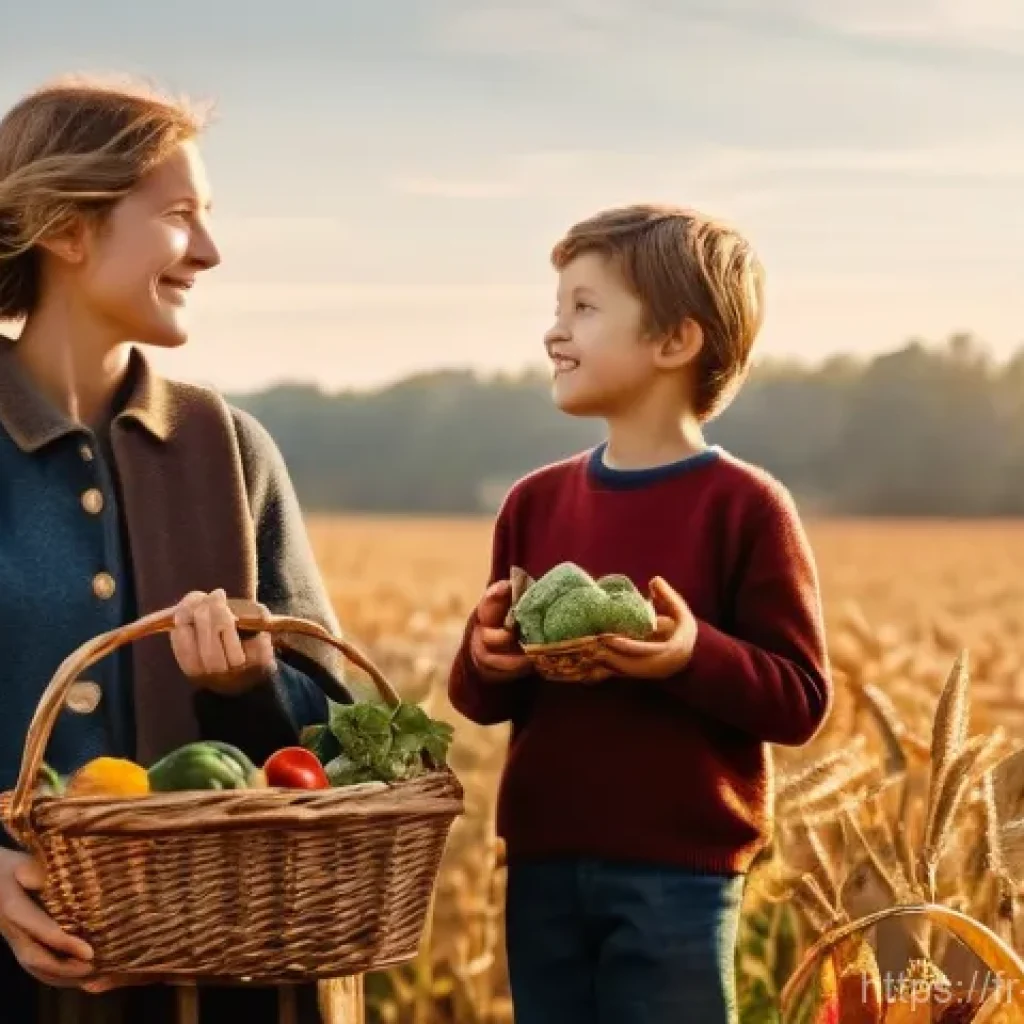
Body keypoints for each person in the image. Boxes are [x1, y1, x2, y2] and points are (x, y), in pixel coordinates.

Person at [0, 76, 352, 1023]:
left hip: (215, 990)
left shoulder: (231, 449)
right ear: (68, 229)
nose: (209, 250)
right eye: (180, 216)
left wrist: (250, 689)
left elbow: (344, 743)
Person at [447, 204, 833, 1024]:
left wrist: (692, 655)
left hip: (680, 876)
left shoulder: (746, 506)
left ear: (674, 341)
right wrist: (486, 655)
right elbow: (481, 699)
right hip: (544, 861)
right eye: (556, 310)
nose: (554, 333)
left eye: (583, 309)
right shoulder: (534, 502)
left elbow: (799, 699)